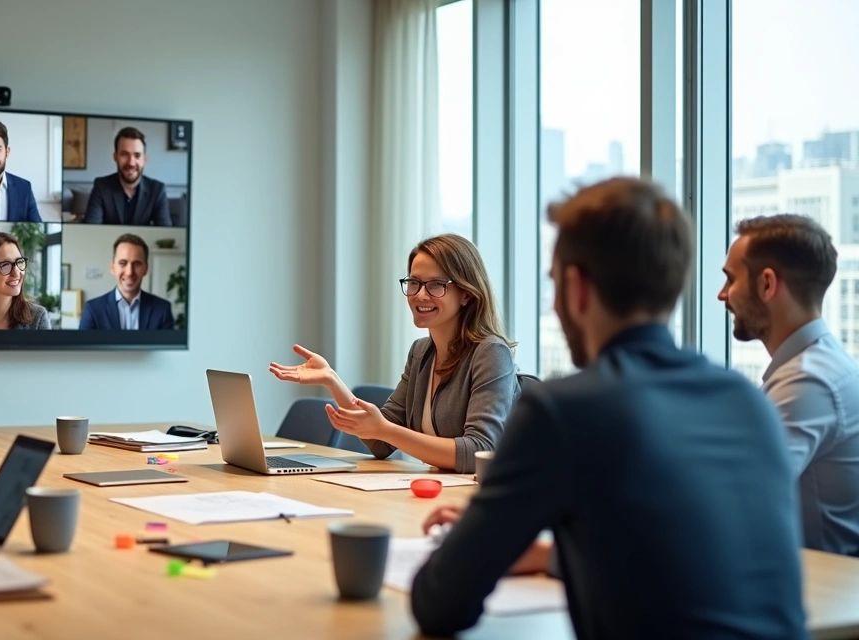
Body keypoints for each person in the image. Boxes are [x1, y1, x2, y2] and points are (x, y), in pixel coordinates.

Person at [410, 177, 807, 639]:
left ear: (577, 288)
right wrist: (553, 547)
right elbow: (684, 557)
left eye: (554, 283)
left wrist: (483, 535)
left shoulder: (563, 411)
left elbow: (439, 604)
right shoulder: (746, 403)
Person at [270, 234, 519, 472]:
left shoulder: (491, 353)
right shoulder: (421, 353)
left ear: (466, 294)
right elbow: (380, 442)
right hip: (442, 492)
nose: (420, 295)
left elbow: (479, 451)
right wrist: (331, 380)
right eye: (414, 283)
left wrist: (384, 430)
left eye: (436, 285)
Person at [720, 214, 859, 557]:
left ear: (767, 284)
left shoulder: (809, 382)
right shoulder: (816, 367)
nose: (722, 295)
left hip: (823, 599)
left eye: (730, 280)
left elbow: (737, 498)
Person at [78, 233, 176, 330]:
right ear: (113, 268)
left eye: (137, 264)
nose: (129, 272)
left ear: (146, 269)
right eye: (122, 263)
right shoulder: (92, 310)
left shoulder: (162, 309)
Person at [82, 127, 172, 226]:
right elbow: (91, 229)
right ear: (115, 157)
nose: (131, 163)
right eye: (124, 154)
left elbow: (165, 235)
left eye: (137, 155)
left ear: (145, 159)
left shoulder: (157, 190)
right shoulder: (101, 186)